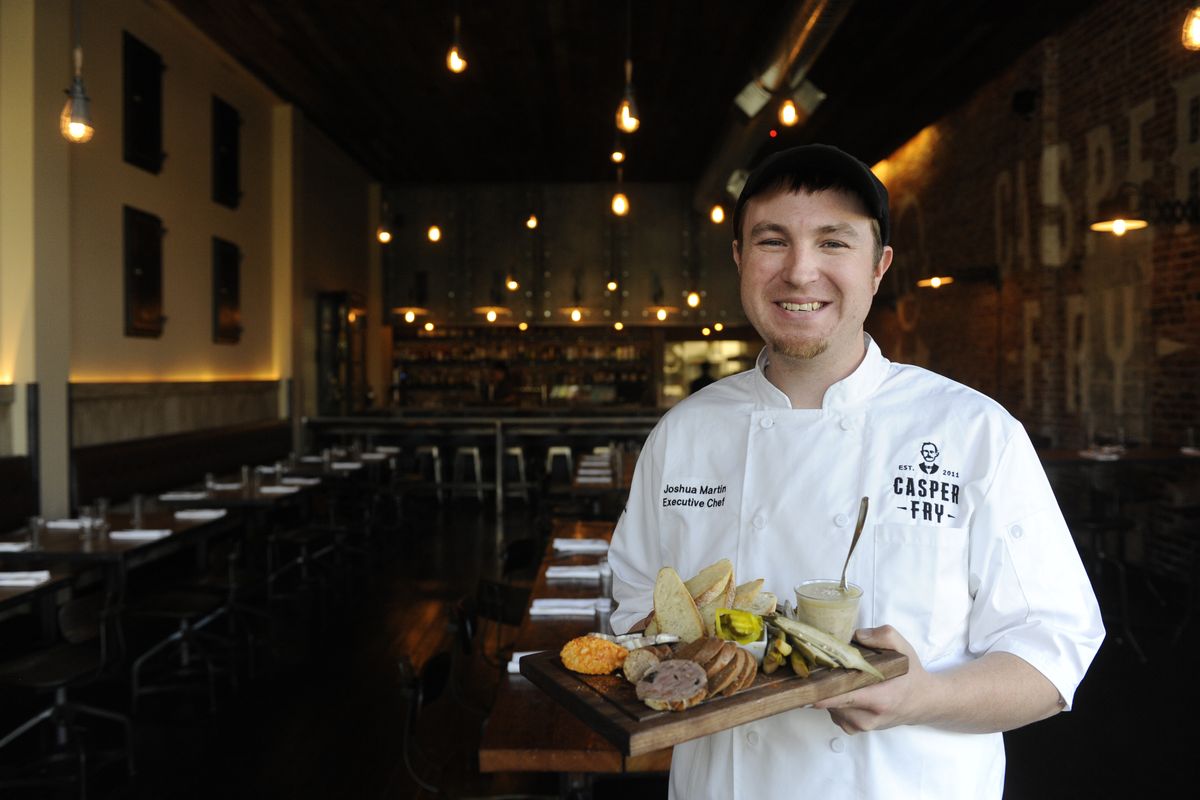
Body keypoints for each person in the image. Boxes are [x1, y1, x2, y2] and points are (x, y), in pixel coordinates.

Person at [607, 144, 1104, 800]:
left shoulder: (974, 433)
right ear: (739, 259)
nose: (799, 270)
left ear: (878, 268)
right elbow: (634, 608)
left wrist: (923, 697)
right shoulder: (684, 433)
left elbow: (1052, 657)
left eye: (834, 241)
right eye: (772, 239)